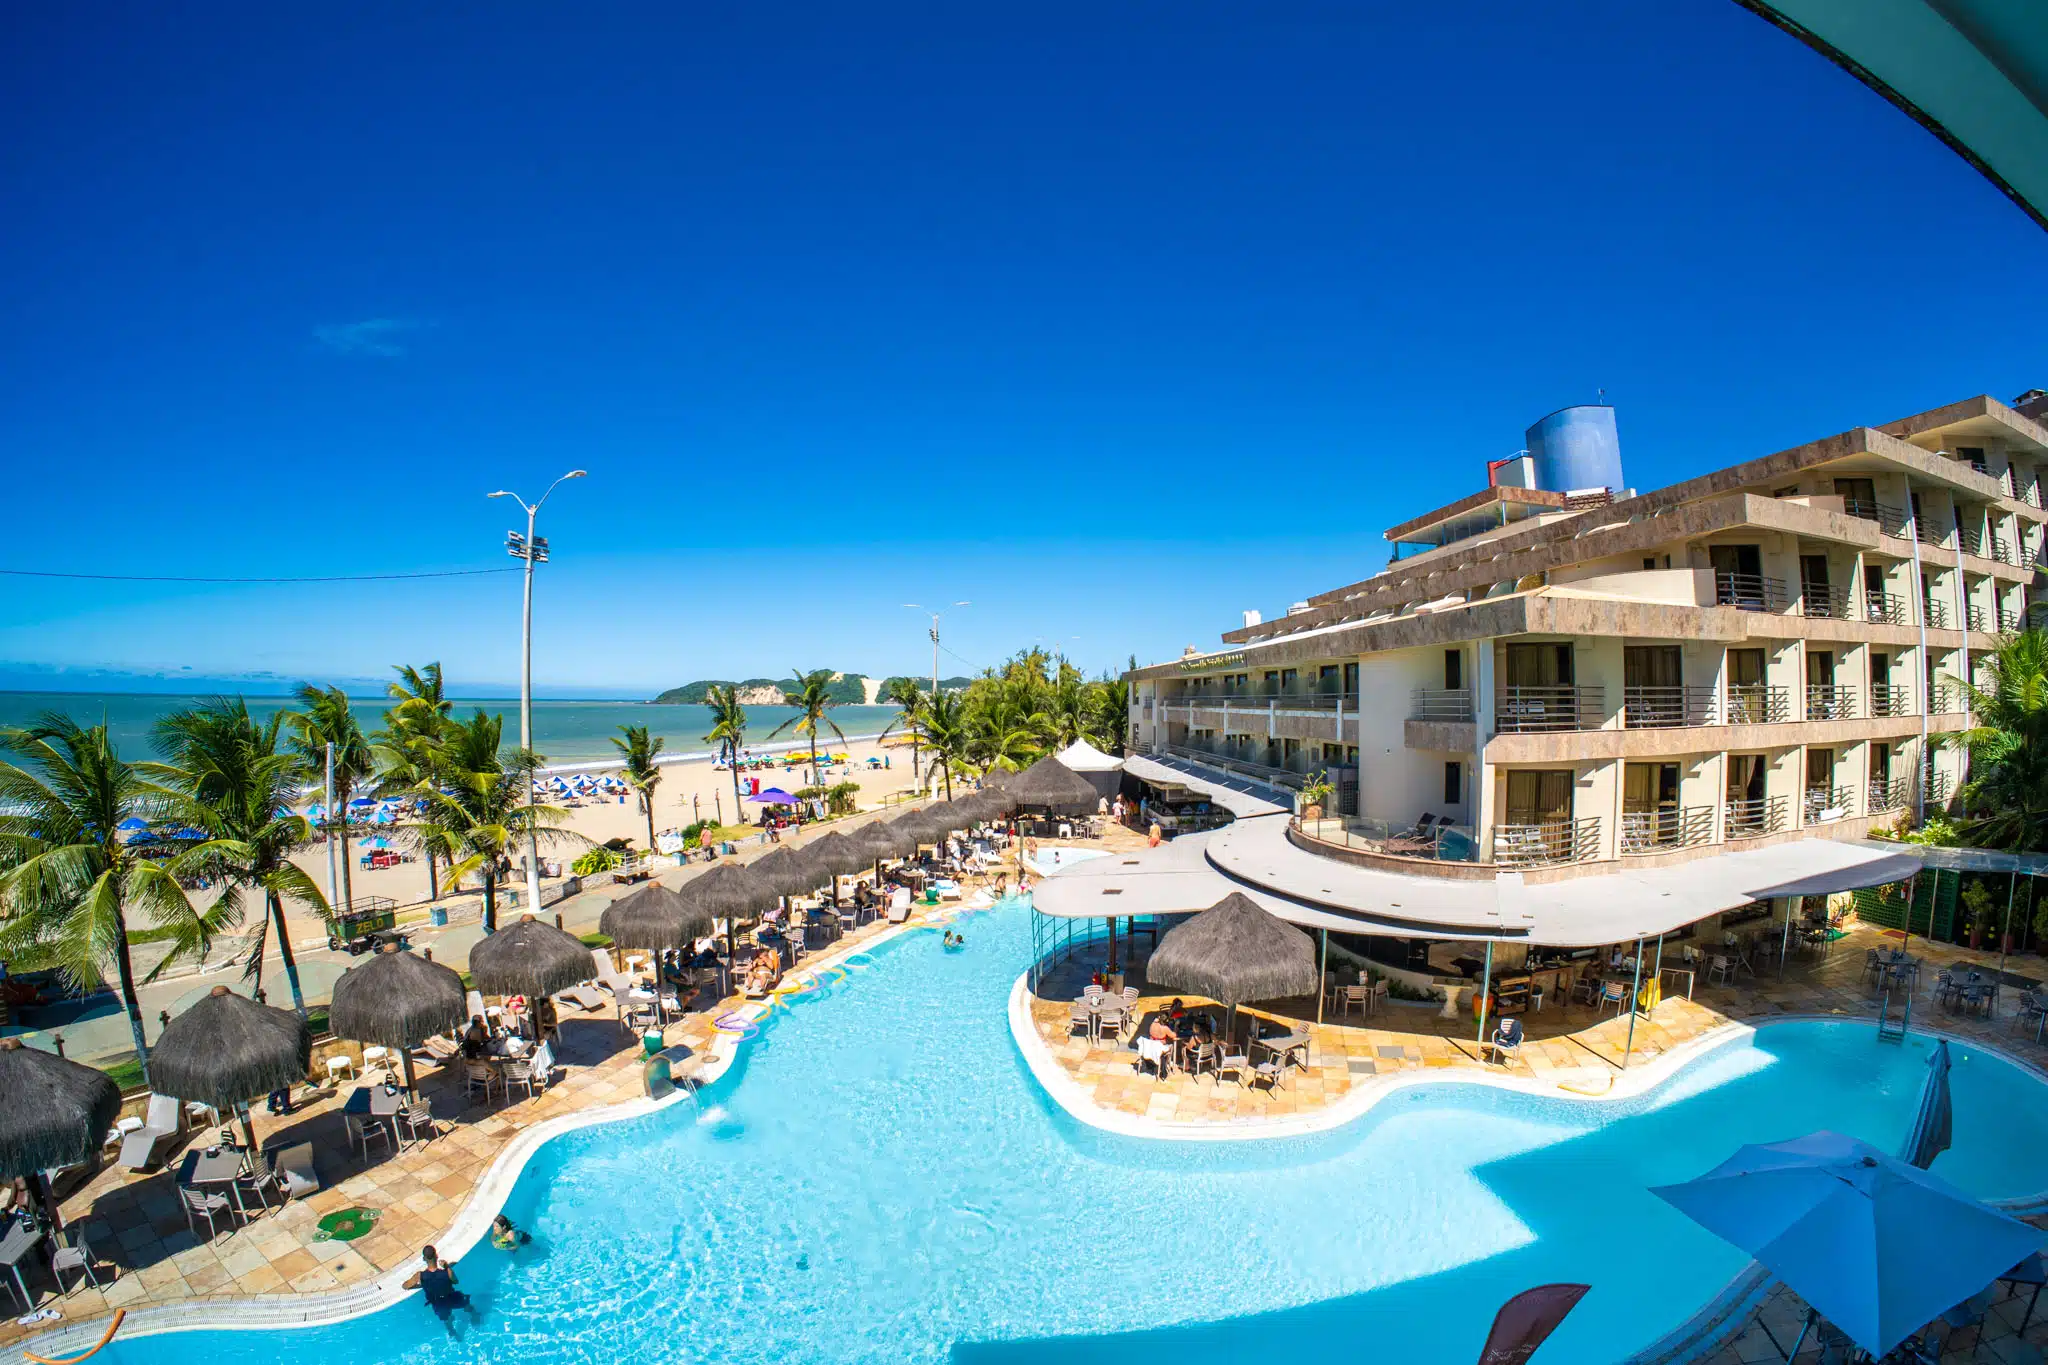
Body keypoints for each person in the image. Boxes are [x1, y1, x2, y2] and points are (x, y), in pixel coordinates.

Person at [404, 1246, 475, 1333]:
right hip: (452, 1298)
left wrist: (422, 1284)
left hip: (439, 1304)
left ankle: (452, 1331)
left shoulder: (420, 1276)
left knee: (446, 1320)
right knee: (467, 1305)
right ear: (436, 1256)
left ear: (424, 1259)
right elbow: (456, 1281)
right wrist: (447, 1266)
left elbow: (405, 1286)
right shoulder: (447, 1272)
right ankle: (475, 1316)